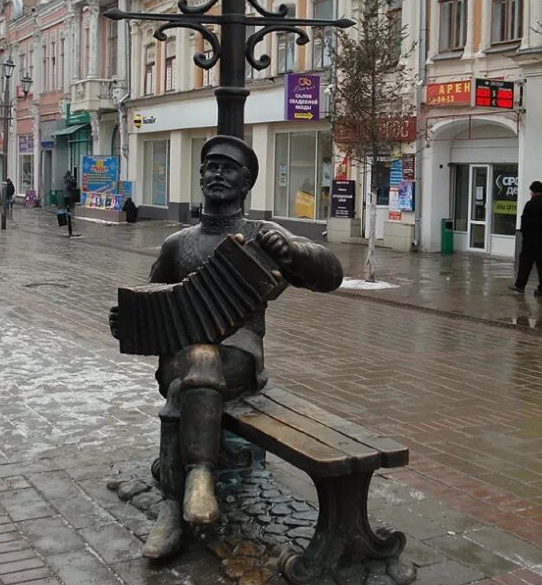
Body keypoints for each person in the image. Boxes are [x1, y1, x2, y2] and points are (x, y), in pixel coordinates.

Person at [110, 135, 344, 559]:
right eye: (210, 167)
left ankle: (174, 504)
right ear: (200, 178)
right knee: (196, 364)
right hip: (181, 357)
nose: (216, 173)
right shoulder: (177, 244)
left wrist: (294, 250)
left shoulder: (260, 236)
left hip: (239, 359)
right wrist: (125, 320)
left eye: (228, 168)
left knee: (192, 378)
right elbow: (153, 300)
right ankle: (197, 481)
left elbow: (331, 275)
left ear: (246, 183)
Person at [509, 180, 542, 297]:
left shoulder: (530, 204)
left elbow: (525, 223)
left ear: (533, 192)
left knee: (525, 264)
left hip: (530, 242)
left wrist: (524, 235)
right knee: (541, 266)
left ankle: (520, 286)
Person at [62, 170, 79, 237]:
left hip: (65, 195)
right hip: (68, 195)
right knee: (69, 207)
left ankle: (68, 215)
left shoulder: (66, 179)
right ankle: (68, 216)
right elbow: (72, 183)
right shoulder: (69, 179)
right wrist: (74, 179)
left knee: (67, 207)